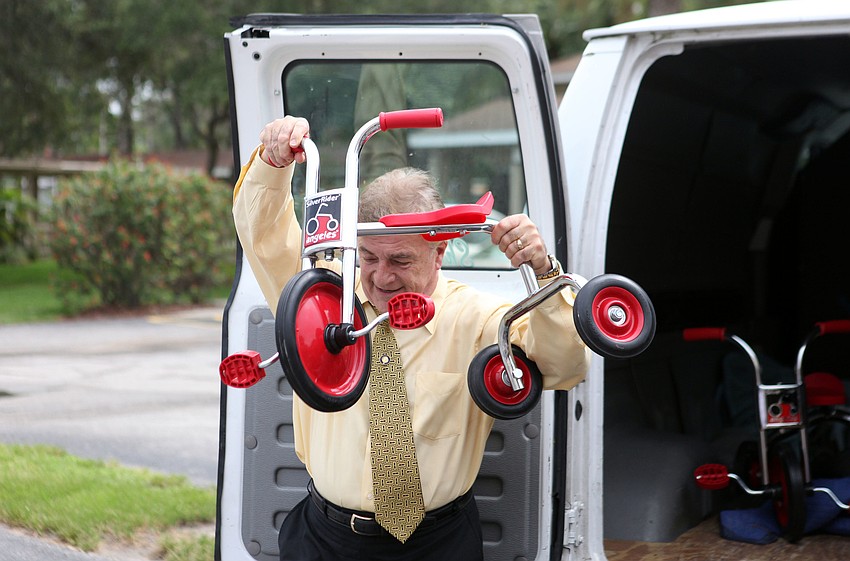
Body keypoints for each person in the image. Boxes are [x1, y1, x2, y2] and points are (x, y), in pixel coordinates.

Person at [232, 115, 591, 561]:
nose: (381, 276)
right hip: (324, 539)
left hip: (437, 544)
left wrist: (542, 272)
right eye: (368, 256)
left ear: (440, 251)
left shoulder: (478, 317)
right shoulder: (324, 300)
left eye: (401, 260)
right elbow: (263, 236)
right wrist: (273, 159)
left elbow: (566, 367)